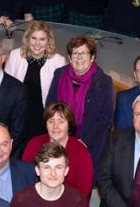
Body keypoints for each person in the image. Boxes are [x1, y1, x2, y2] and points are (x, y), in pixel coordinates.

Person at [21, 102, 94, 207]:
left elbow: (82, 195)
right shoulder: (34, 144)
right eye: (51, 121)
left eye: (61, 121)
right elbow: (25, 182)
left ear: (69, 124)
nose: (55, 127)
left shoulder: (81, 152)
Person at [46, 36, 114, 170]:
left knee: (82, 180)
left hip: (90, 142)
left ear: (92, 57)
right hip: (60, 138)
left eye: (84, 53)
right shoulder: (59, 74)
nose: (79, 57)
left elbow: (106, 118)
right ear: (70, 58)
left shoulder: (104, 81)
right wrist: (59, 134)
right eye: (75, 53)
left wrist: (84, 141)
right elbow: (50, 106)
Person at [5, 21, 66, 142]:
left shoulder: (58, 61)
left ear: (48, 41)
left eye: (42, 39)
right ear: (27, 39)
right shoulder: (15, 55)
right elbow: (7, 87)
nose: (37, 43)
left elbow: (60, 96)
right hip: (18, 114)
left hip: (43, 116)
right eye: (34, 38)